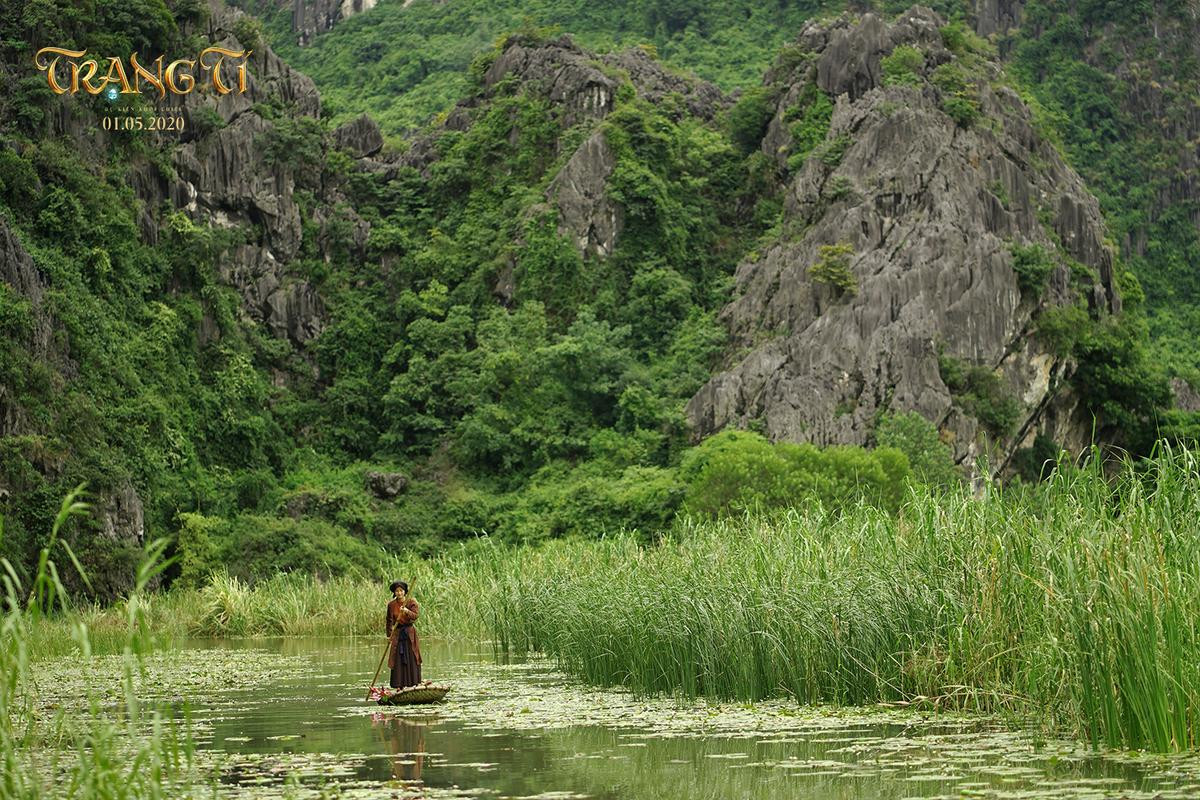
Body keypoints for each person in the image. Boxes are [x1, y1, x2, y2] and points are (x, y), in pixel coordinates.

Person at [386, 580, 422, 689]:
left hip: (409, 634)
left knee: (412, 657)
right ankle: (399, 685)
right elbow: (389, 621)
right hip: (397, 634)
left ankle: (414, 683)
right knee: (397, 658)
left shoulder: (411, 602)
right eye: (397, 591)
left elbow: (415, 616)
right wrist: (389, 635)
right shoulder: (391, 605)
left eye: (401, 591)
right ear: (394, 592)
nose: (399, 593)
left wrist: (406, 611)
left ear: (404, 592)